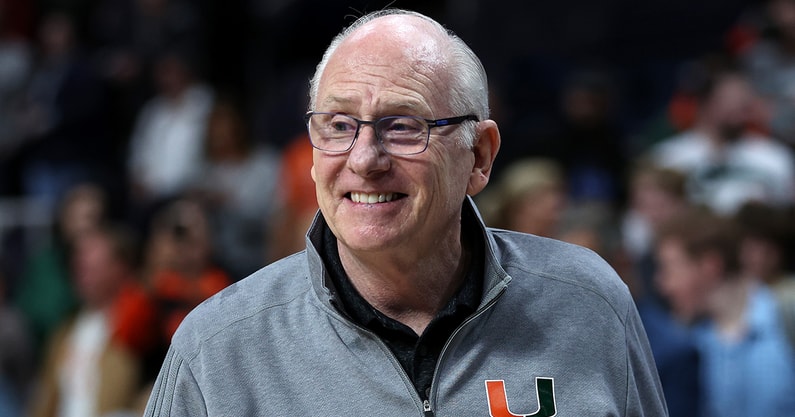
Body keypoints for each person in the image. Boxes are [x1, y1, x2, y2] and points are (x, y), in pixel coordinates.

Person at [144, 9, 667, 416]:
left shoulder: (589, 305)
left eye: (403, 126)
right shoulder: (216, 349)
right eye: (339, 125)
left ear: (479, 156)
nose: (365, 159)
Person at [654, 208, 795, 417]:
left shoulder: (786, 314)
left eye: (670, 268)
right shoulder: (687, 344)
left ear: (710, 266)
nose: (663, 285)